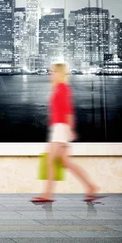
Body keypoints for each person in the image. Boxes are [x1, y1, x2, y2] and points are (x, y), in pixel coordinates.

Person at [31, 63, 100, 203]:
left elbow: (68, 110)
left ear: (60, 73)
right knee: (65, 162)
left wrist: (70, 129)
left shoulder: (62, 88)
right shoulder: (58, 88)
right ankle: (91, 186)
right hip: (58, 127)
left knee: (50, 160)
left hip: (61, 128)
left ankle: (47, 194)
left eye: (54, 71)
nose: (51, 73)